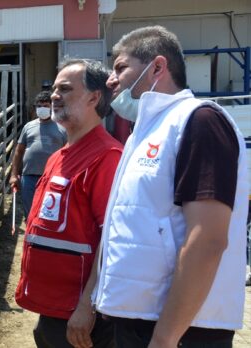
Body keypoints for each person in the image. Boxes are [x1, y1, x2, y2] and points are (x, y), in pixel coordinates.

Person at [93, 26, 248, 348]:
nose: (111, 80)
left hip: (180, 332)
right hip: (141, 321)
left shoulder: (199, 121)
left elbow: (207, 239)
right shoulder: (145, 132)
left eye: (121, 68)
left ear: (158, 68)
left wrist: (165, 338)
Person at [15, 59, 122, 348]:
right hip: (54, 308)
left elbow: (112, 240)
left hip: (81, 314)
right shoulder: (59, 156)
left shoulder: (106, 158)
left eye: (65, 89)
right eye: (54, 90)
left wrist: (87, 306)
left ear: (94, 97)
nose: (54, 96)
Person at [10, 90, 67, 217]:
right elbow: (19, 152)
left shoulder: (62, 128)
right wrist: (14, 174)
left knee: (49, 213)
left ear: (52, 107)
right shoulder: (28, 127)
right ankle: (30, 235)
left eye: (45, 106)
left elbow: (69, 154)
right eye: (39, 106)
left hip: (52, 177)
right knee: (30, 212)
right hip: (29, 177)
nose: (42, 109)